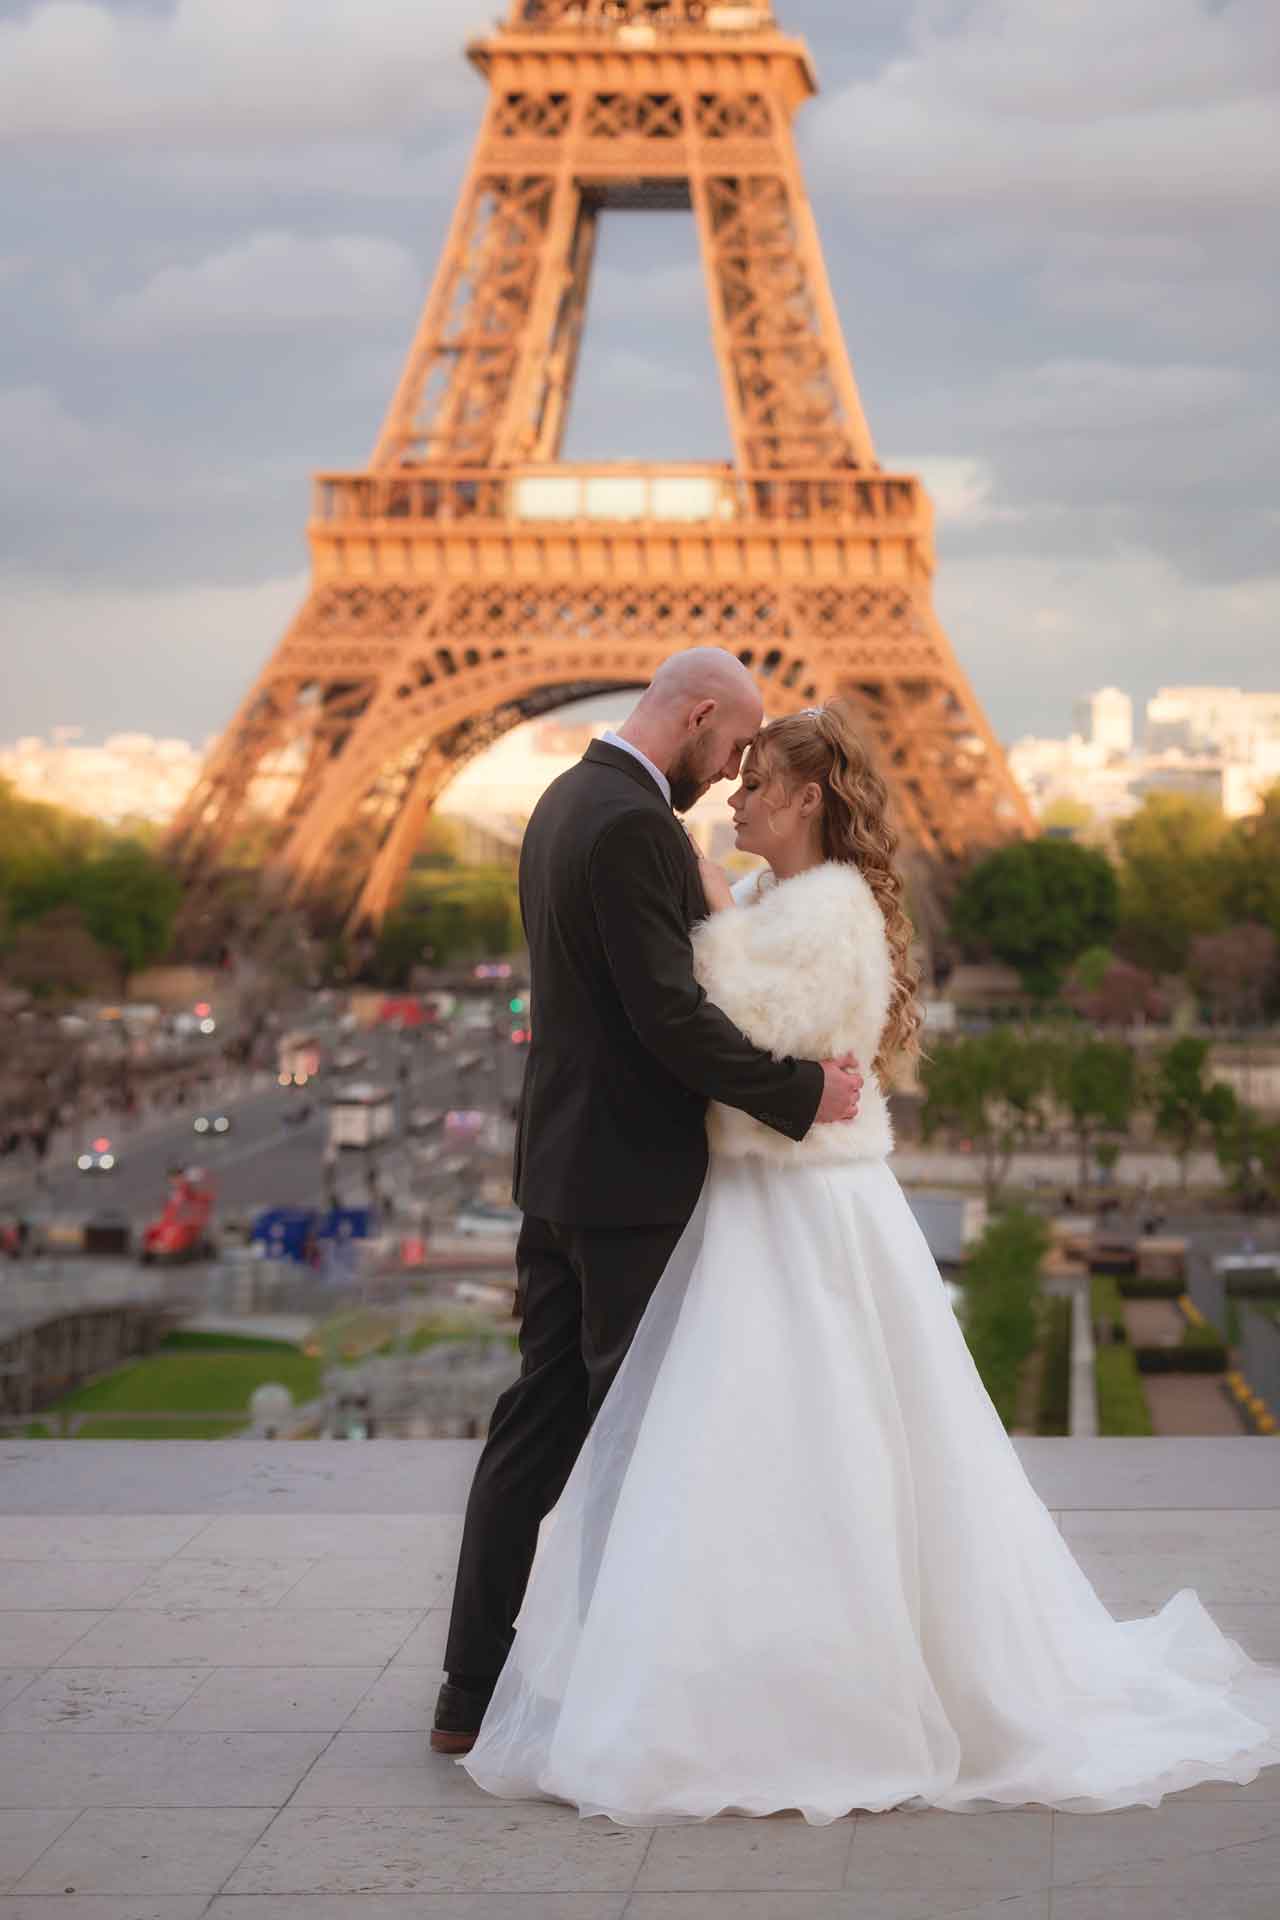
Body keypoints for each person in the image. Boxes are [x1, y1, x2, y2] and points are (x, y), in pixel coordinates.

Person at [461, 702, 1280, 1824]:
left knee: (809, 1446)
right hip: (753, 1198)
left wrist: (698, 915)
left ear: (805, 799)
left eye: (755, 783)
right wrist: (709, 908)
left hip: (799, 1206)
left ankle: (814, 1689)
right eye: (734, 774)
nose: (734, 796)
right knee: (759, 1453)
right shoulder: (762, 897)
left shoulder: (831, 908)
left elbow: (736, 1017)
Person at [431, 651, 865, 1755]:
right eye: (731, 752)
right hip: (630, 1182)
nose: (728, 779)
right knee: (640, 1447)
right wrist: (802, 1092)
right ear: (703, 714)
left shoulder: (564, 801)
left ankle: (468, 1689)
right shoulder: (631, 824)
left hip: (559, 1172)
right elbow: (665, 1018)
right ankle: (617, 1702)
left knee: (533, 1433)